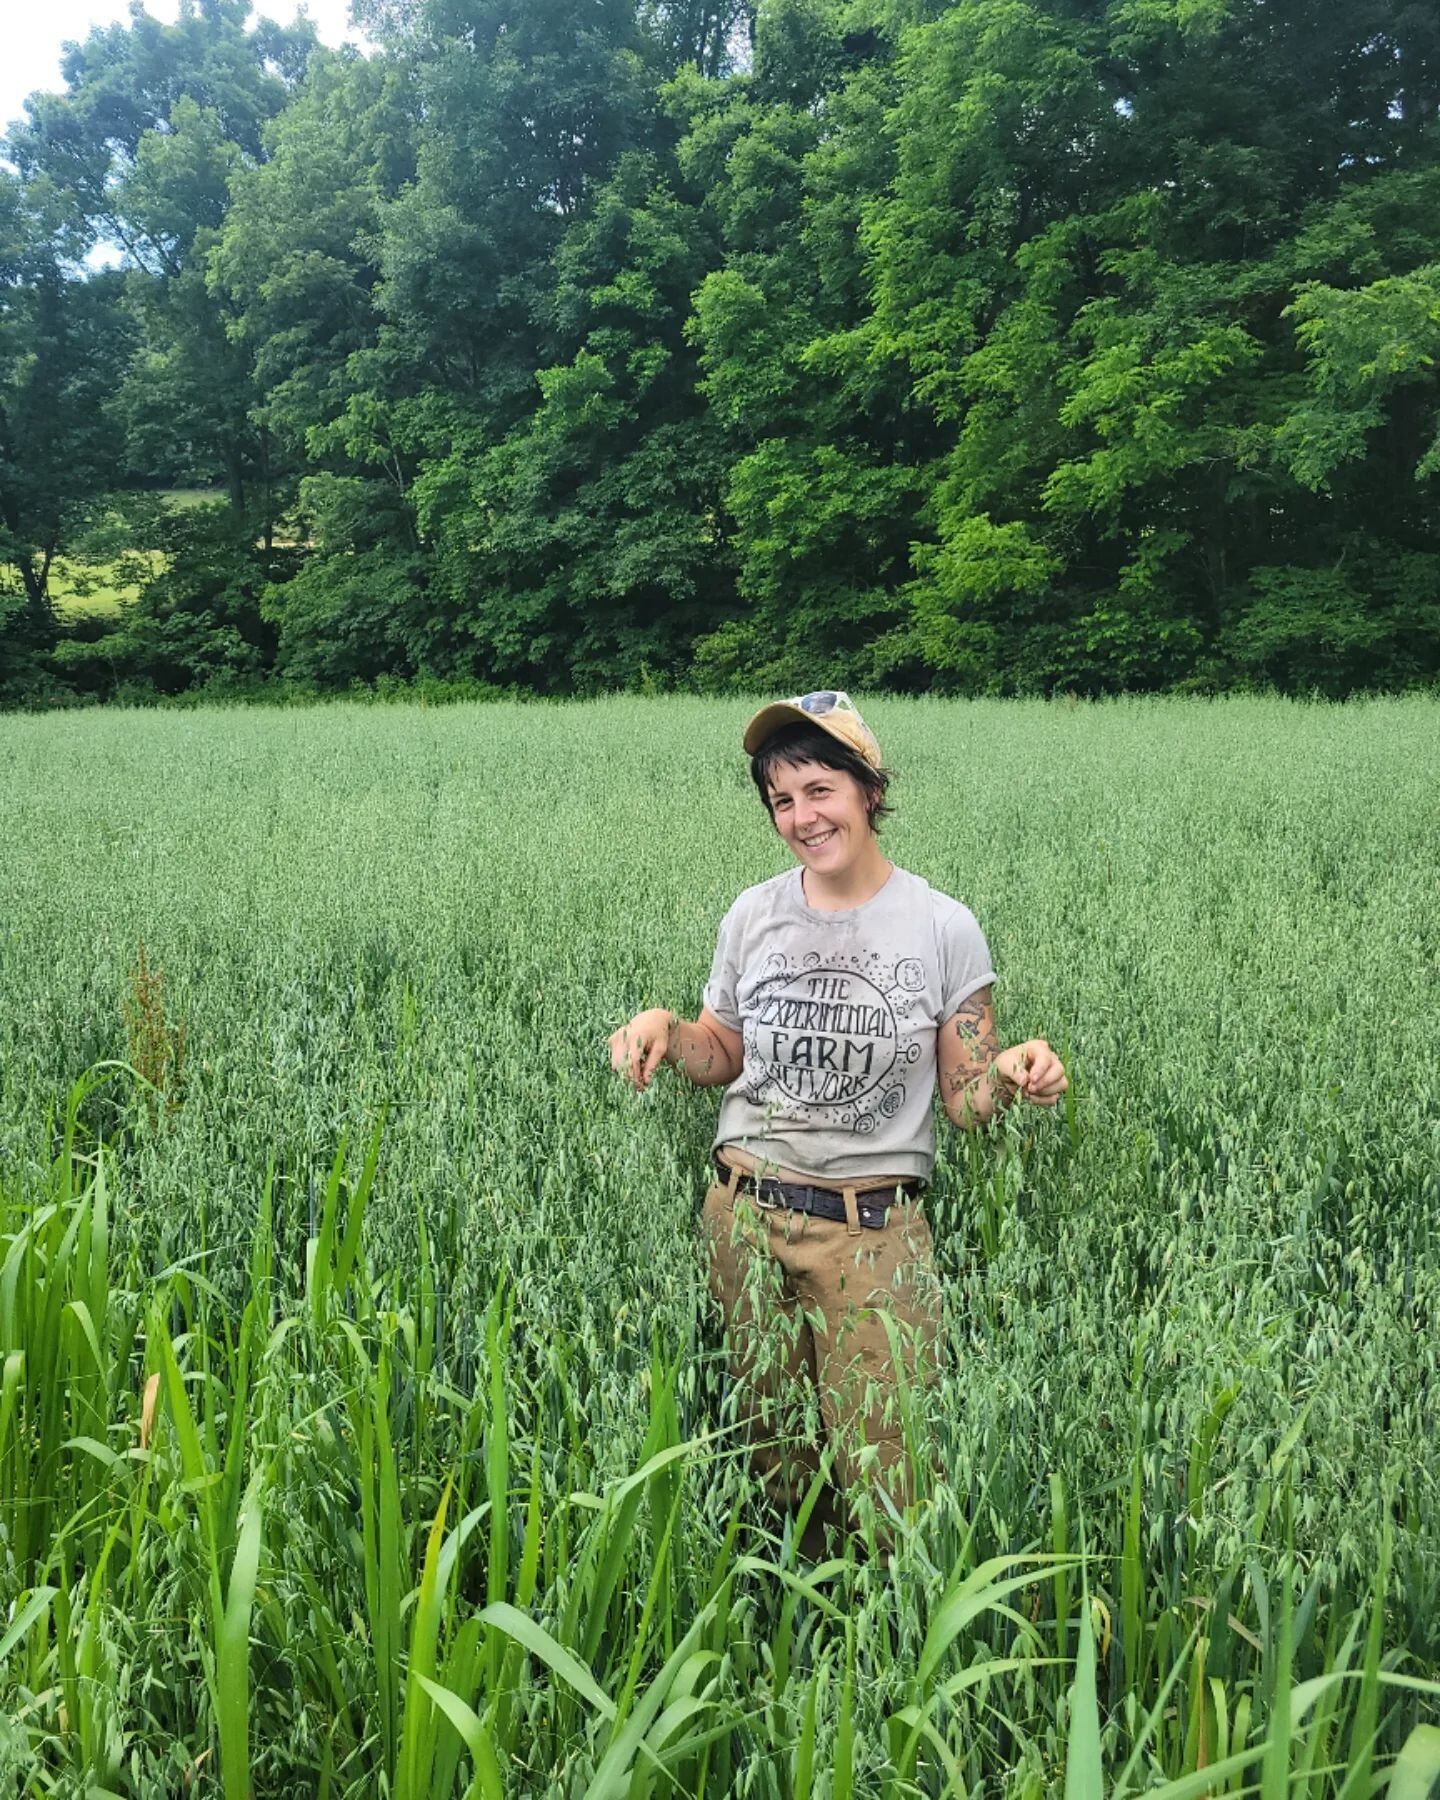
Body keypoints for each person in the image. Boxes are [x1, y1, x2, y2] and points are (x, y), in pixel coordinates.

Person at [608, 690, 1066, 1545]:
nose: (802, 817)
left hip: (870, 1237)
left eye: (819, 789)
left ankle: (902, 1653)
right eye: (782, 800)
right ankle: (799, 1639)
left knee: (892, 1480)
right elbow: (726, 1053)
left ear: (867, 789)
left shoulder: (941, 926)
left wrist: (1006, 1072)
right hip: (741, 1217)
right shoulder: (754, 914)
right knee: (772, 1465)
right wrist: (668, 1032)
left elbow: (965, 1096)